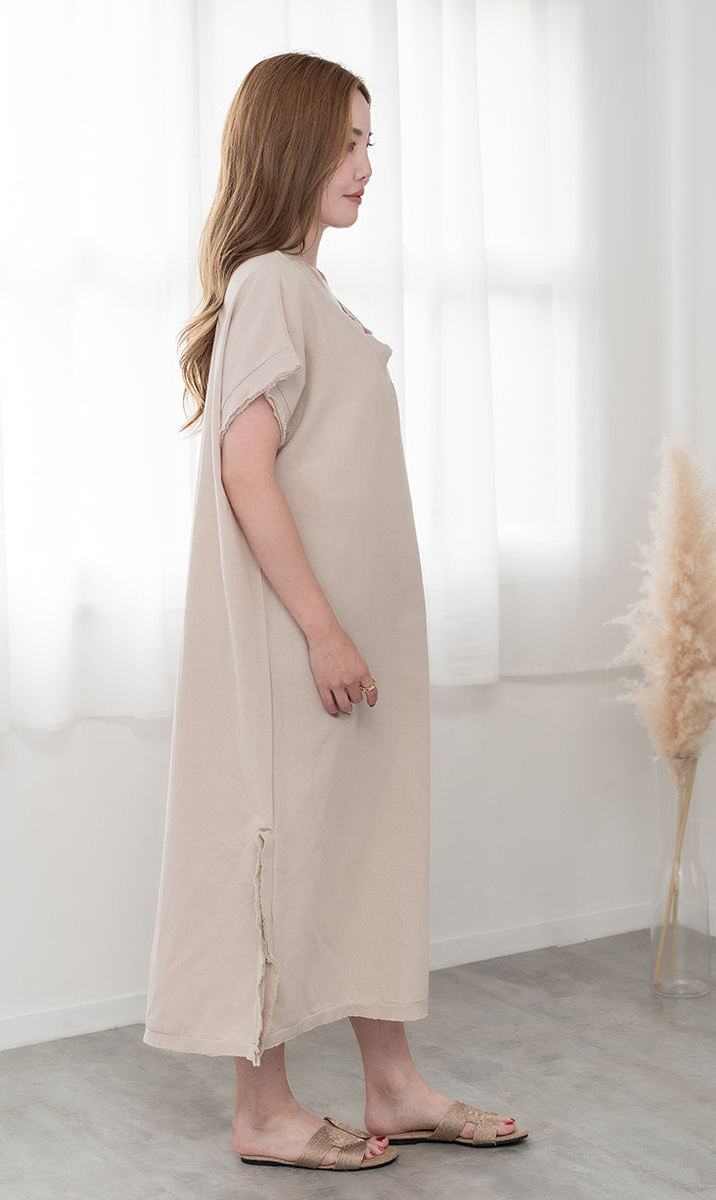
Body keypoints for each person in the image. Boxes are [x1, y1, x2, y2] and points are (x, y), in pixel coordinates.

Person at [143, 51, 527, 1172]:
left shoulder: (307, 292)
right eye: (347, 142)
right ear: (292, 144)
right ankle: (262, 1110)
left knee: (358, 850)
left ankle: (392, 1083)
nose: (366, 165)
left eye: (371, 143)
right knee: (276, 852)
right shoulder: (270, 282)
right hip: (299, 641)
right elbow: (245, 469)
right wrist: (320, 628)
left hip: (346, 646)